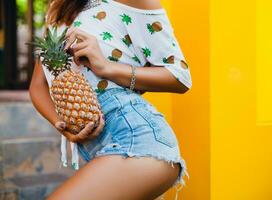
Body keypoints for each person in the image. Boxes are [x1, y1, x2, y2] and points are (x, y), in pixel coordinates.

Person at [29, 0, 192, 199]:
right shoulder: (59, 8)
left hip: (134, 136)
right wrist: (62, 125)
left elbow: (180, 76)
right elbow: (38, 86)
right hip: (95, 148)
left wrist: (107, 68)